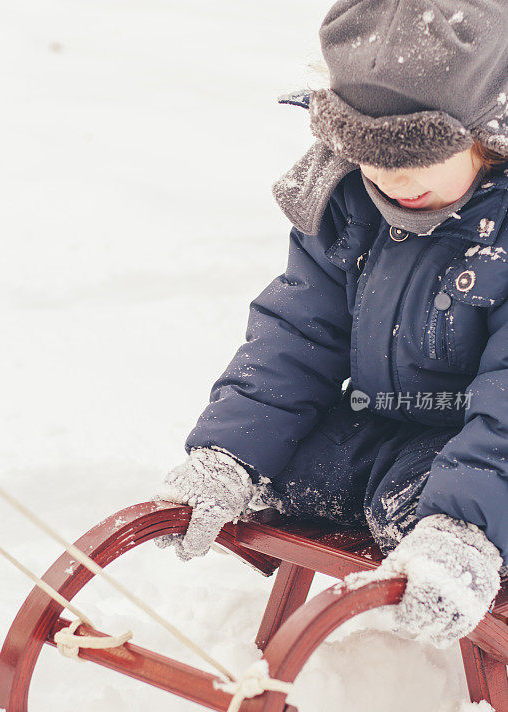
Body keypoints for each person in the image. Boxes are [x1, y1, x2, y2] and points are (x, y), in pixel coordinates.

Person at [153, 0, 508, 648]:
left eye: (416, 154)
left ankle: (465, 533)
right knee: (288, 461)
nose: (391, 176)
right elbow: (297, 331)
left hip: (484, 445)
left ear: (487, 132)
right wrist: (232, 452)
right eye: (368, 154)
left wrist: (464, 523)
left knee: (428, 502)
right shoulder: (352, 199)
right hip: (386, 429)